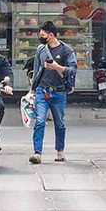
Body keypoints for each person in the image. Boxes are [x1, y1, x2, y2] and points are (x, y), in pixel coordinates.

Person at [28, 21, 77, 164]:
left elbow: (73, 70)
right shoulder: (41, 50)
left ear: (51, 35)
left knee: (59, 122)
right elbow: (36, 70)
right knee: (39, 121)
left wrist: (58, 67)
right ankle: (37, 153)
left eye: (43, 35)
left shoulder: (67, 50)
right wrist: (32, 90)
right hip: (42, 91)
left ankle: (60, 152)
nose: (41, 37)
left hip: (59, 92)